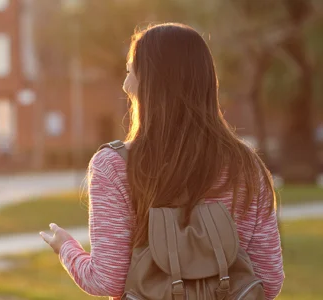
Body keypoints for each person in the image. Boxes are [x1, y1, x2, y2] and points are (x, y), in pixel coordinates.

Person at [40, 23, 284, 299]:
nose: (124, 85)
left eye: (129, 73)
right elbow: (269, 281)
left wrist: (66, 249)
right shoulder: (246, 167)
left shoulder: (114, 166)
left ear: (147, 85)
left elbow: (108, 281)